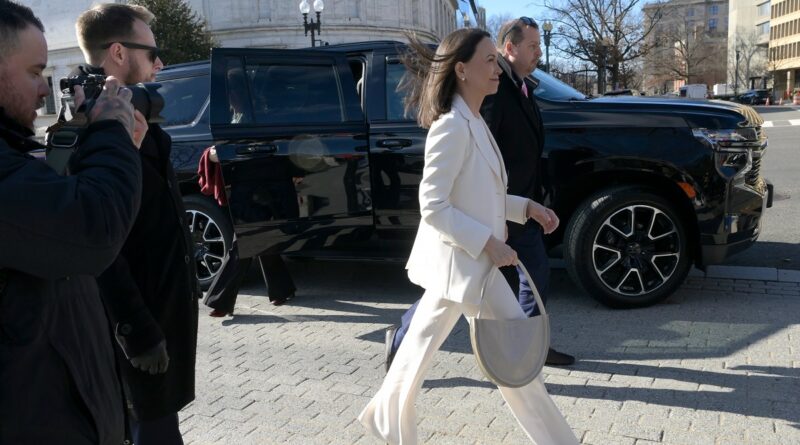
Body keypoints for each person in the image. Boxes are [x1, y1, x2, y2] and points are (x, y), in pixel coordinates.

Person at [358, 28, 578, 445]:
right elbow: (433, 205)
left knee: (433, 353)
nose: (497, 68)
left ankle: (384, 419)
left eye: (497, 59)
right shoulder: (452, 126)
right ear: (461, 69)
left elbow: (480, 193)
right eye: (489, 60)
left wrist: (525, 208)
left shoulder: (474, 120)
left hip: (471, 268)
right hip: (465, 264)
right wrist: (489, 242)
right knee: (506, 360)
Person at [385, 17, 575, 371]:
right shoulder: (466, 115)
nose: (538, 52)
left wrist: (527, 206)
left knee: (440, 313)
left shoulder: (514, 91)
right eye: (532, 46)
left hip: (500, 214)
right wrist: (491, 237)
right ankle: (526, 353)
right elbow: (441, 199)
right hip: (478, 228)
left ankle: (525, 353)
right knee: (452, 307)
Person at [0, 1, 143, 443]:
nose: (43, 91)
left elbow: (52, 216)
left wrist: (89, 146)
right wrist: (111, 133)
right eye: (34, 73)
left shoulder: (13, 154)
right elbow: (94, 228)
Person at [71, 4, 199, 444]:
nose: (160, 63)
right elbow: (101, 245)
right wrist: (137, 331)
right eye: (152, 53)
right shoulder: (91, 128)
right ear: (119, 53)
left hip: (160, 321)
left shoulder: (132, 119)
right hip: (136, 336)